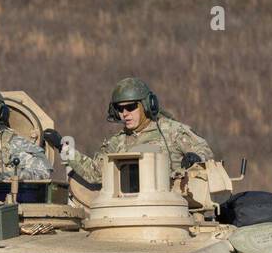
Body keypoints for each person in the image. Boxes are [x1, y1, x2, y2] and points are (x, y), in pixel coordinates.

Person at [69, 77, 213, 183]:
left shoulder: (172, 132)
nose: (124, 113)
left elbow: (205, 150)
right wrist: (64, 150)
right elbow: (95, 174)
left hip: (172, 207)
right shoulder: (117, 143)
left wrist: (196, 158)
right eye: (120, 109)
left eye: (131, 107)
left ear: (146, 106)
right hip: (131, 210)